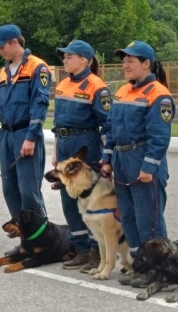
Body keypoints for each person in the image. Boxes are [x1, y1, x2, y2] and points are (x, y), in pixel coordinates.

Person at [101, 41, 174, 288]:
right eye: (124, 60)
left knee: (149, 222)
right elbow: (110, 129)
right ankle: (139, 265)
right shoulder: (122, 91)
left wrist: (149, 167)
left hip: (143, 163)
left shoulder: (158, 93)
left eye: (130, 60)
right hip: (122, 163)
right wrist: (107, 159)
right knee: (129, 219)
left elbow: (159, 137)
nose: (125, 64)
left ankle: (160, 270)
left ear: (146, 64)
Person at [0, 25, 51, 226]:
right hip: (7, 135)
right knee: (9, 188)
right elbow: (0, 105)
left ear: (14, 42)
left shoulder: (37, 67)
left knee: (28, 191)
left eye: (2, 47)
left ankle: (42, 239)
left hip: (25, 133)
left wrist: (31, 137)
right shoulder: (3, 71)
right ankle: (25, 238)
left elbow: (40, 103)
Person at [51, 40, 110, 271]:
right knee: (68, 201)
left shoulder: (97, 86)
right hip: (64, 144)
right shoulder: (63, 84)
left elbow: (107, 125)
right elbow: (57, 123)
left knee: (90, 201)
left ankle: (97, 251)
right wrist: (56, 152)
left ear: (84, 60)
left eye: (69, 56)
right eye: (64, 56)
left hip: (86, 146)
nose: (64, 60)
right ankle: (81, 248)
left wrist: (106, 158)